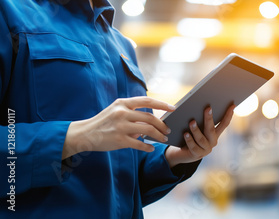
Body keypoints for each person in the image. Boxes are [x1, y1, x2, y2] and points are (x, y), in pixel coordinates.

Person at [0, 0, 235, 217]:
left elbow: (126, 176)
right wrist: (74, 137)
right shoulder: (9, 12)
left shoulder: (121, 46)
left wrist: (172, 158)